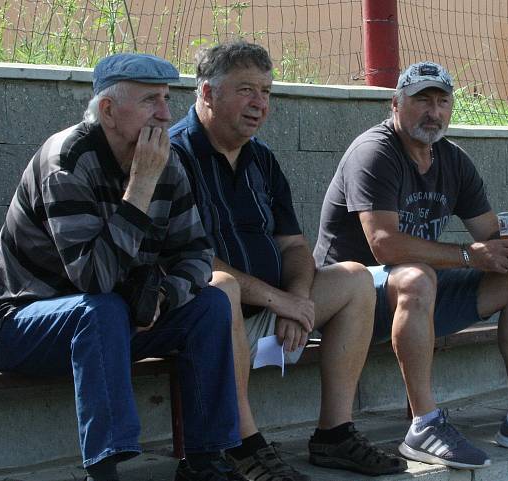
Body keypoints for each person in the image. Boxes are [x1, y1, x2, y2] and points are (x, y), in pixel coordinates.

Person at [0, 53, 246, 481]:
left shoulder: (163, 159)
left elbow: (195, 253)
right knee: (100, 309)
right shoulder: (65, 162)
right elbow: (93, 280)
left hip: (114, 321)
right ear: (107, 110)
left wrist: (160, 297)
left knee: (210, 306)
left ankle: (206, 462)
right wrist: (138, 189)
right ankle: (104, 470)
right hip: (15, 325)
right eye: (150, 101)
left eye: (166, 98)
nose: (165, 114)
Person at [313, 61, 508, 470]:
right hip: (351, 302)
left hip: (415, 301)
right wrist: (470, 256)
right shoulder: (375, 152)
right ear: (396, 104)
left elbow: (490, 234)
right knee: (416, 277)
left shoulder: (452, 161)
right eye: (421, 100)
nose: (433, 112)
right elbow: (383, 245)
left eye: (442, 101)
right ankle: (424, 424)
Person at [169, 41, 406, 481]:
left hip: (273, 304)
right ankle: (241, 445)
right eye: (245, 90)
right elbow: (195, 259)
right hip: (205, 314)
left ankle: (334, 434)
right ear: (206, 94)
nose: (259, 104)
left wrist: (298, 299)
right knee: (222, 288)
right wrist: (280, 301)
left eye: (266, 91)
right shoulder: (174, 156)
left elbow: (295, 246)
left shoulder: (262, 158)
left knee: (355, 279)